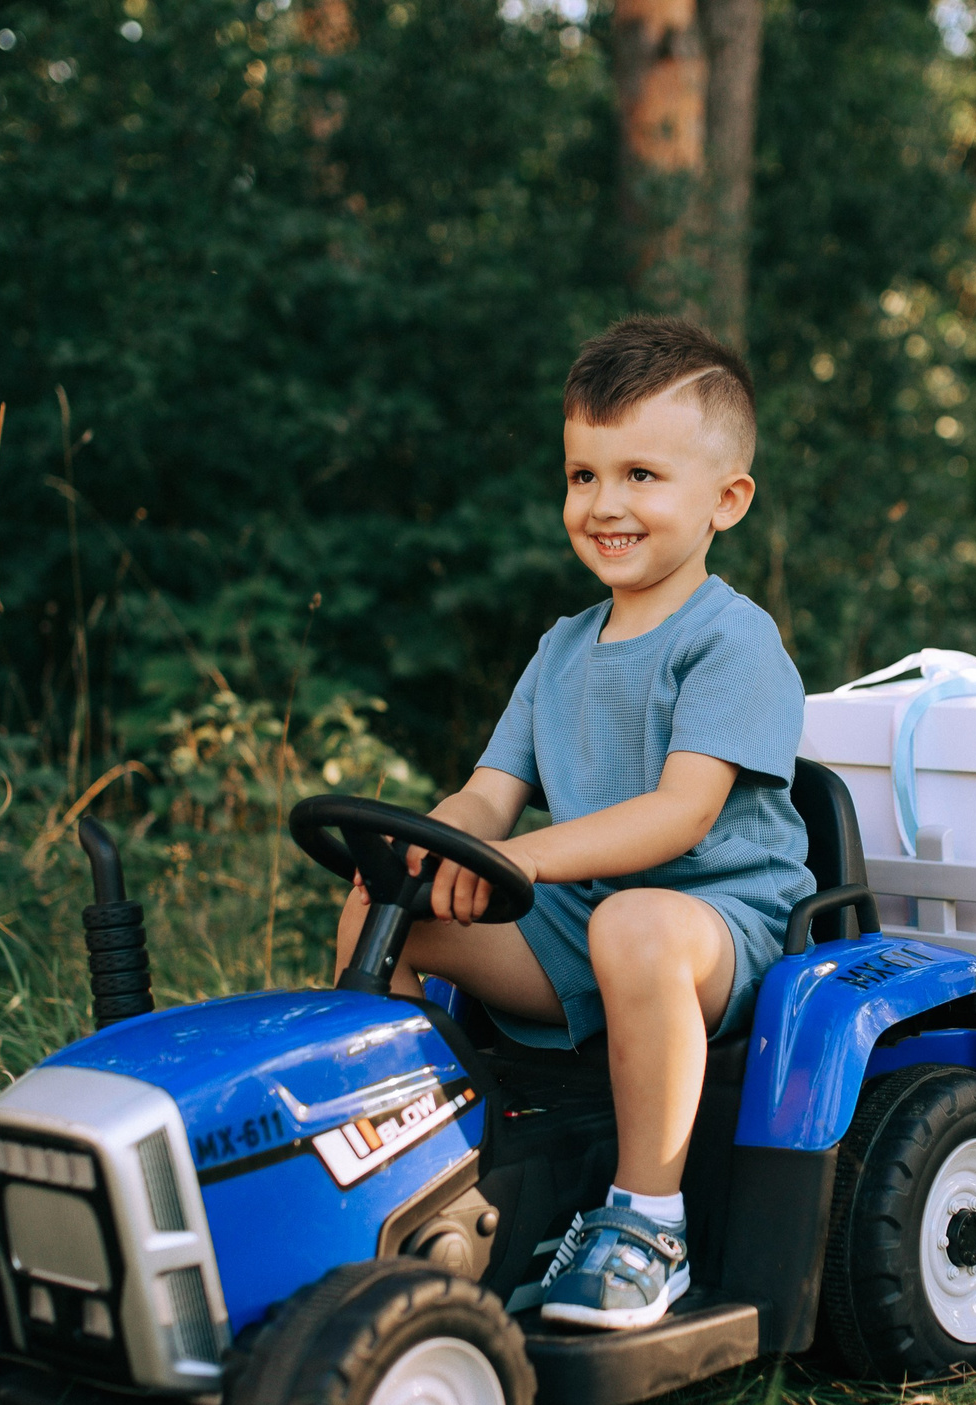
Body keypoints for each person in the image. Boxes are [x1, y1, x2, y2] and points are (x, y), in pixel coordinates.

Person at [332, 317, 813, 1331]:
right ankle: (411, 1174)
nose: (604, 504)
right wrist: (435, 842)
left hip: (715, 924)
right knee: (385, 909)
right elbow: (487, 794)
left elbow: (681, 816)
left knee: (633, 924)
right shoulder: (560, 648)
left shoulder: (732, 639)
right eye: (582, 474)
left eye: (641, 475)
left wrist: (521, 857)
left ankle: (650, 1223)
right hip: (577, 917)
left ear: (726, 500)